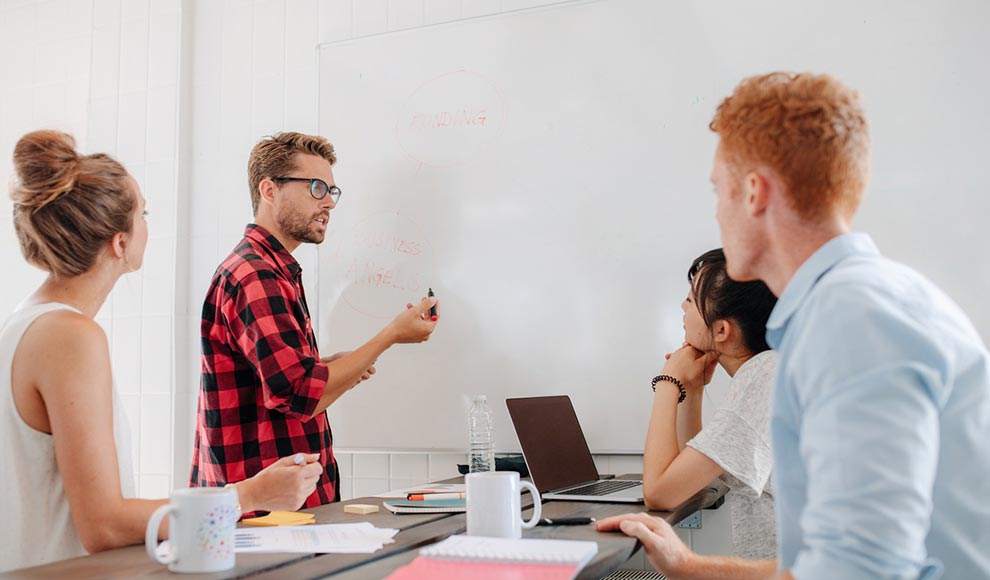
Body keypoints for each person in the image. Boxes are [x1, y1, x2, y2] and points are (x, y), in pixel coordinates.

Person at [599, 72, 990, 579]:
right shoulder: (860, 306)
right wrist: (686, 565)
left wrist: (691, 569)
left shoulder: (849, 323)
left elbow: (858, 574)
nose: (717, 212)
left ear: (755, 193)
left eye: (719, 191)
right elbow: (830, 565)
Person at [0, 131, 324, 573]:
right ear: (120, 242)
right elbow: (104, 526)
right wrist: (253, 494)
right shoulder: (70, 336)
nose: (149, 227)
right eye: (144, 214)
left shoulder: (25, 322)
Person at [189, 132, 439, 507]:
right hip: (265, 518)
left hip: (279, 514)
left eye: (332, 192)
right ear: (270, 190)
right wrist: (390, 336)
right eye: (316, 188)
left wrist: (332, 367)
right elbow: (303, 394)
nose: (329, 203)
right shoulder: (256, 275)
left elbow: (285, 386)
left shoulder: (271, 269)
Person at [644, 248, 778, 559]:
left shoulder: (764, 378)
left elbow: (659, 493)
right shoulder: (768, 371)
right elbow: (692, 482)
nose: (682, 305)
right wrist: (691, 389)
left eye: (691, 300)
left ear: (721, 330)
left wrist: (667, 383)